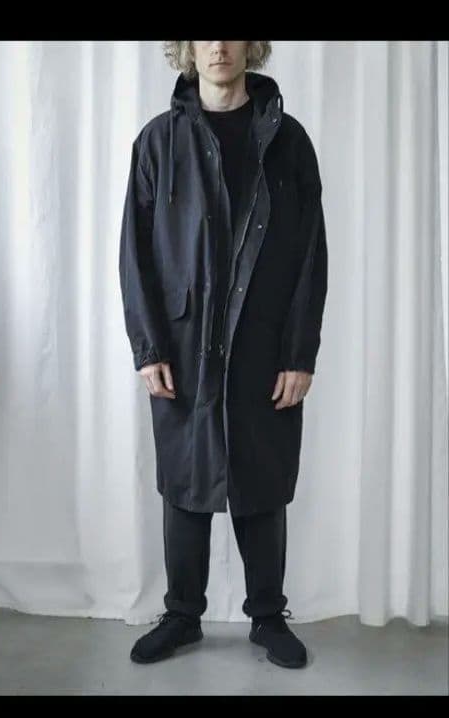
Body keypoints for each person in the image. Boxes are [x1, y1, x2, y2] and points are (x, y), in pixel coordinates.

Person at [119, 41, 328, 669]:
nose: (218, 46)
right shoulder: (158, 143)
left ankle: (268, 616)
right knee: (185, 481)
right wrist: (148, 346)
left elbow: (311, 254)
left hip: (265, 339)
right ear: (185, 48)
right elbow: (135, 253)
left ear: (252, 47)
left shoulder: (289, 141)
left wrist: (300, 352)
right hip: (183, 344)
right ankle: (182, 615)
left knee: (262, 478)